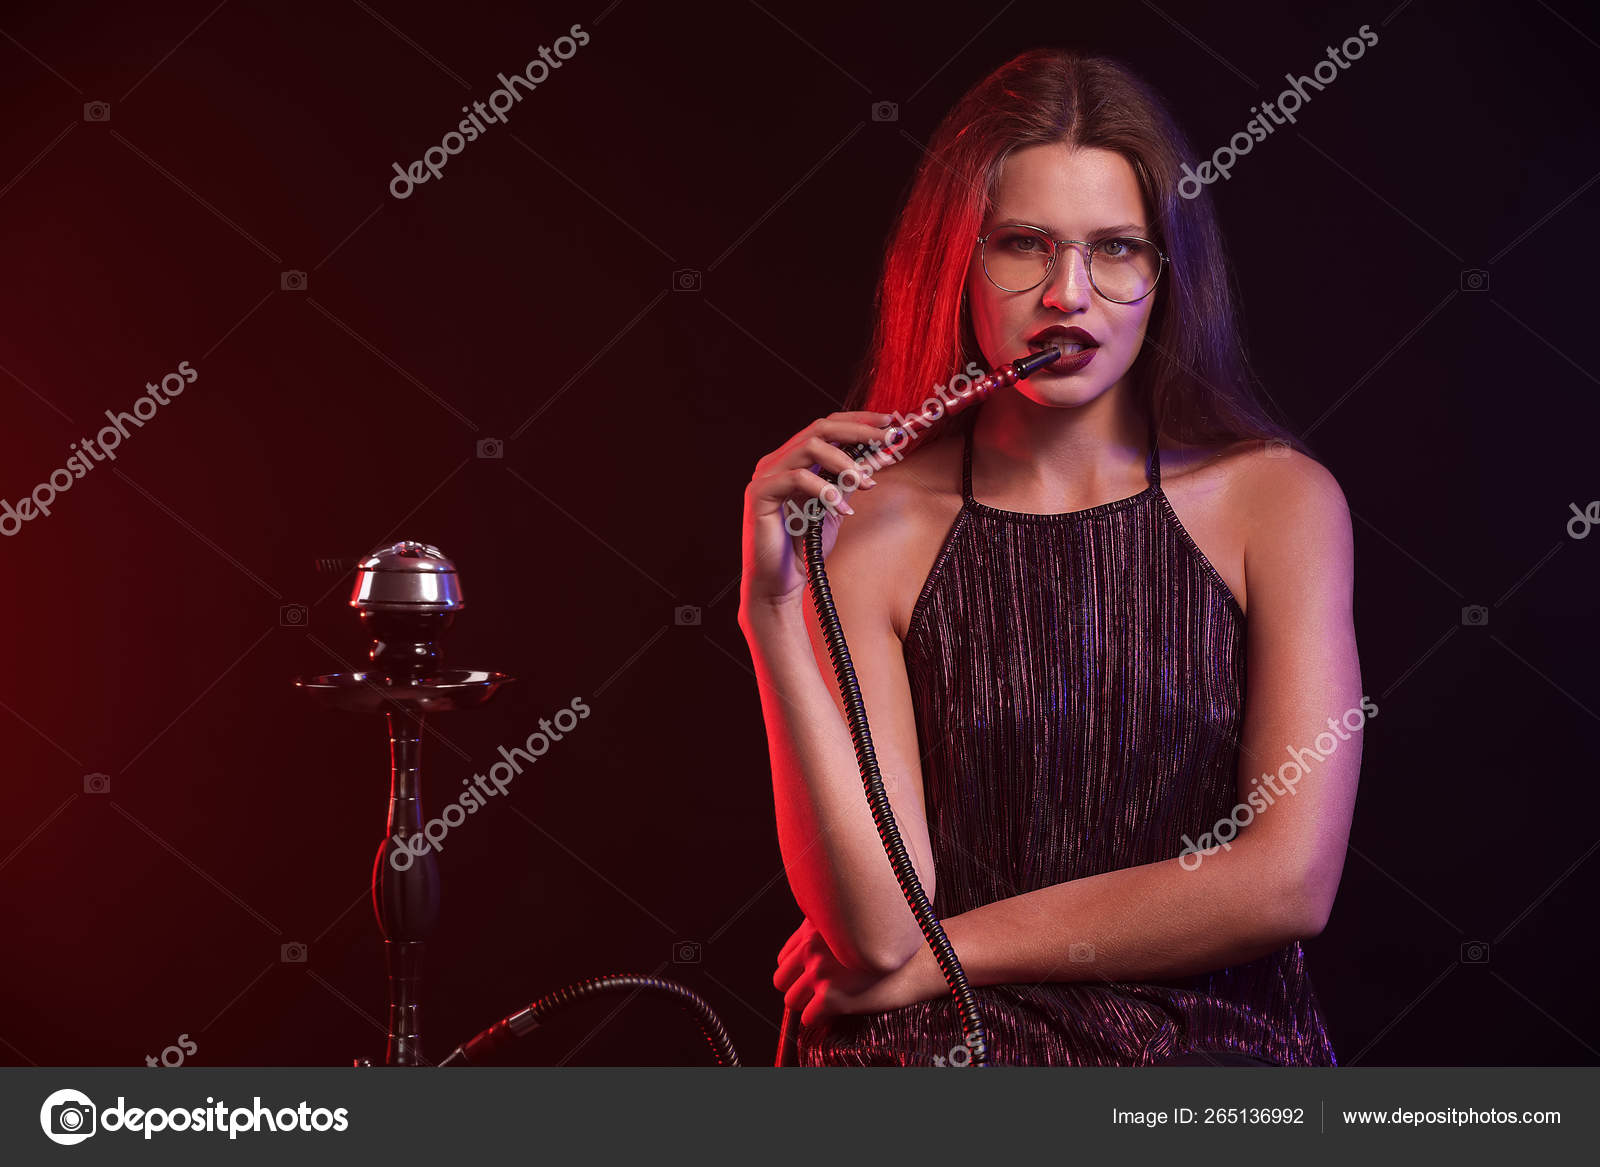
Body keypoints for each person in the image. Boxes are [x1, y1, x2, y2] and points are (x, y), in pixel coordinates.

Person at [739, 47, 1362, 1067]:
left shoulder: (1278, 503)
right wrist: (768, 616)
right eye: (1023, 245)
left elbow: (1286, 882)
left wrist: (953, 952)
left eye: (1115, 249)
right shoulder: (871, 524)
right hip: (940, 1051)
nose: (1069, 294)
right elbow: (876, 932)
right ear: (958, 262)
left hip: (1209, 1048)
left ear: (1165, 274)